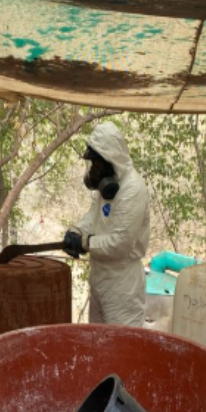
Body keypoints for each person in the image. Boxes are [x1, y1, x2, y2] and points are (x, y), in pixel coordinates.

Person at [63, 122, 150, 327]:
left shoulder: (132, 190)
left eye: (97, 164)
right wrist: (75, 231)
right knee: (98, 347)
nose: (93, 169)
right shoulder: (106, 189)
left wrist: (84, 243)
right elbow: (92, 218)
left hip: (123, 287)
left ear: (111, 160)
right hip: (100, 279)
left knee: (122, 351)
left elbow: (120, 243)